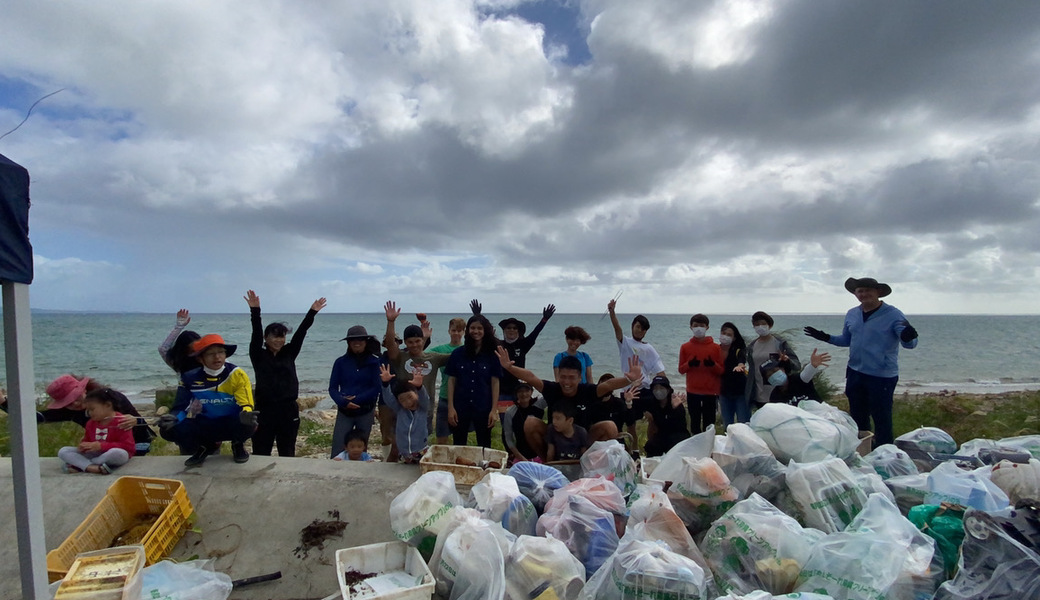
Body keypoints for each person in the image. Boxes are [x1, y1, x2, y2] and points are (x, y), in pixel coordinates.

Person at [804, 276, 919, 446]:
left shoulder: (894, 314)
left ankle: (885, 453)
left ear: (878, 292)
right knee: (857, 417)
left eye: (868, 290)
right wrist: (825, 337)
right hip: (855, 373)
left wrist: (909, 337)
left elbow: (909, 344)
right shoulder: (852, 314)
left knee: (881, 418)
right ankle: (863, 452)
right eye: (860, 291)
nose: (864, 294)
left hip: (882, 376)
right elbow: (846, 340)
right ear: (856, 294)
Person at [497, 347, 643, 460]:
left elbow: (608, 385)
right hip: (554, 439)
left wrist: (628, 379)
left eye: (572, 377)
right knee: (530, 422)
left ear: (580, 377)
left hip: (584, 441)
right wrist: (510, 368)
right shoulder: (552, 389)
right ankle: (549, 462)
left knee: (610, 426)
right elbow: (531, 377)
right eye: (563, 377)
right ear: (558, 375)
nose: (567, 382)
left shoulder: (587, 391)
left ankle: (591, 462)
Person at [245, 290, 326, 457]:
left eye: (282, 337)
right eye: (274, 336)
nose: (279, 340)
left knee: (287, 451)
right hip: (264, 411)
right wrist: (255, 311)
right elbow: (255, 333)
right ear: (266, 338)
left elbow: (301, 333)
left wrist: (312, 312)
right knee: (261, 451)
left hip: (288, 410)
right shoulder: (258, 355)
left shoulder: (289, 353)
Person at [158, 334, 257, 467]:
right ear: (200, 358)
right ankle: (205, 446)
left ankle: (237, 444)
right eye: (211, 354)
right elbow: (181, 407)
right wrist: (174, 418)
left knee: (250, 422)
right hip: (206, 423)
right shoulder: (189, 378)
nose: (217, 357)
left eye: (221, 352)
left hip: (232, 422)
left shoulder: (236, 374)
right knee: (167, 430)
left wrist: (246, 412)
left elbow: (246, 402)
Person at [2, 374, 155, 455]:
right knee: (66, 453)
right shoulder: (69, 412)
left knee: (116, 456)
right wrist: (3, 403)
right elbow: (33, 418)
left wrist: (133, 421)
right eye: (68, 402)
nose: (75, 404)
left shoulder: (110, 398)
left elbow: (140, 423)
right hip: (102, 447)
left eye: (76, 398)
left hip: (135, 443)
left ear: (84, 390)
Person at [382, 301, 449, 453]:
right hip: (403, 410)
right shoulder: (401, 358)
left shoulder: (434, 358)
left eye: (418, 341)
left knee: (420, 447)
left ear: (422, 340)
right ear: (405, 342)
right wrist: (391, 322)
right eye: (410, 342)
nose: (414, 345)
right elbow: (391, 344)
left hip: (425, 410)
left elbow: (458, 355)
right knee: (398, 446)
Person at [471, 298, 556, 412]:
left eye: (514, 328)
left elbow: (535, 333)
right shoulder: (498, 344)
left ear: (518, 331)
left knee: (520, 419)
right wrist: (478, 315)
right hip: (502, 390)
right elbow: (488, 333)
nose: (511, 330)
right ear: (504, 330)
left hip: (519, 390)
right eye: (508, 328)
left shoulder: (524, 344)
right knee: (504, 419)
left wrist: (544, 319)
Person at [446, 315, 503, 448]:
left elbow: (495, 382)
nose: (475, 331)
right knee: (458, 444)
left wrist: (494, 410)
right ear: (467, 330)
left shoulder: (492, 355)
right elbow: (451, 380)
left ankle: (484, 468)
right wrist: (451, 408)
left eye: (479, 328)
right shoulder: (458, 354)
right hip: (460, 406)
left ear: (485, 331)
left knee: (484, 445)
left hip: (483, 406)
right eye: (472, 328)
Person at [328, 325, 383, 459]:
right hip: (344, 410)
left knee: (360, 447)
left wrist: (356, 399)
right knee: (338, 445)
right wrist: (343, 402)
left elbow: (377, 387)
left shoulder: (375, 362)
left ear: (366, 342)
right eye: (353, 340)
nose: (357, 343)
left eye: (360, 340)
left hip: (365, 410)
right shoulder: (340, 362)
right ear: (348, 343)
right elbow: (332, 388)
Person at [57, 388, 136, 474]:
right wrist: (83, 446)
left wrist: (101, 446)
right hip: (95, 453)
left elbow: (128, 447)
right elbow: (87, 440)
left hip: (111, 454)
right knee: (63, 451)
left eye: (92, 409)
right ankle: (93, 467)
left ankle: (82, 465)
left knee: (119, 453)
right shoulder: (90, 423)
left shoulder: (122, 421)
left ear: (108, 405)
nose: (90, 413)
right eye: (88, 410)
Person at [607, 298, 667, 402]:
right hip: (628, 388)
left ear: (645, 332)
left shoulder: (649, 349)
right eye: (638, 326)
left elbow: (660, 372)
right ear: (632, 326)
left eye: (643, 329)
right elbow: (617, 328)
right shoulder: (625, 342)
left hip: (645, 389)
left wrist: (666, 391)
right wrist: (612, 312)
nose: (640, 330)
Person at [678, 313, 724, 434]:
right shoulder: (685, 347)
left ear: (707, 327)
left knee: (709, 424)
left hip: (711, 391)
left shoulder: (716, 348)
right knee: (695, 422)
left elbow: (721, 371)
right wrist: (689, 364)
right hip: (693, 391)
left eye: (702, 325)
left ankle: (709, 448)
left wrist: (712, 365)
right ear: (691, 327)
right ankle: (696, 448)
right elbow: (681, 370)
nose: (699, 328)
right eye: (696, 325)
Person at [745, 311, 800, 410]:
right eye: (756, 325)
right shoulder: (752, 346)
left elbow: (796, 365)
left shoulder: (779, 343)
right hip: (759, 394)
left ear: (769, 325)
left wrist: (787, 360)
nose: (760, 327)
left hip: (779, 393)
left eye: (763, 324)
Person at [378, 364, 430, 463]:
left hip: (421, 450)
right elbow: (388, 399)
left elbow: (425, 398)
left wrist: (419, 387)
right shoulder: (400, 409)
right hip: (404, 452)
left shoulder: (422, 407)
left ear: (416, 393)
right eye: (403, 400)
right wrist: (385, 384)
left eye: (410, 397)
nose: (408, 402)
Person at [430, 317, 467, 444]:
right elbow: (421, 355)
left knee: (460, 438)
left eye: (459, 330)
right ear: (449, 331)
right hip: (445, 397)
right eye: (453, 330)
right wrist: (425, 338)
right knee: (441, 436)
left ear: (463, 332)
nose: (456, 333)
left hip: (462, 398)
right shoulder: (440, 350)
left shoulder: (468, 349)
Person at [642, 376, 691, 457]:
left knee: (674, 444)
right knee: (650, 445)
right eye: (656, 388)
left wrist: (673, 410)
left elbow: (677, 426)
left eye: (661, 388)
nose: (658, 391)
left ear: (668, 390)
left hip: (677, 435)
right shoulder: (652, 404)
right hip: (662, 435)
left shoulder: (676, 403)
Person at [762, 348, 831, 405]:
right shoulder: (774, 396)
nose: (773, 375)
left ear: (783, 369)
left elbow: (806, 375)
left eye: (775, 371)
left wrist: (813, 365)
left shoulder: (798, 380)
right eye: (769, 375)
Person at [594, 373, 641, 451]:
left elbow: (630, 422)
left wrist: (628, 403)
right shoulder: (592, 403)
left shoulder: (618, 403)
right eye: (604, 384)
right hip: (598, 442)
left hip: (617, 441)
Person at [501, 383, 546, 463]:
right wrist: (521, 458)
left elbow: (549, 394)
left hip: (539, 455)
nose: (524, 394)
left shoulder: (539, 405)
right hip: (521, 456)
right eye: (520, 391)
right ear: (516, 394)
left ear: (532, 392)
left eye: (527, 391)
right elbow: (508, 438)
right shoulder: (510, 412)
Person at [717, 322, 750, 427]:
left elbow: (742, 360)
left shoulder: (738, 350)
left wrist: (740, 366)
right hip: (723, 393)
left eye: (729, 334)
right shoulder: (715, 350)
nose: (725, 336)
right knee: (727, 424)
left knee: (743, 423)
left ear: (734, 338)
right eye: (723, 333)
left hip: (740, 393)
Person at [159, 309, 202, 375]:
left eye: (197, 349)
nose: (194, 354)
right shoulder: (178, 363)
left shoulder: (207, 361)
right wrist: (179, 326)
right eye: (191, 351)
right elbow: (163, 349)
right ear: (183, 351)